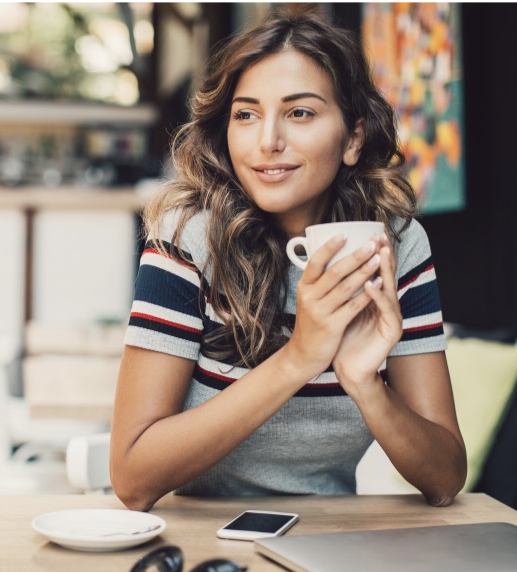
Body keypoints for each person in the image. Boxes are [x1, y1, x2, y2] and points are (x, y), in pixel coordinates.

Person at [110, 7, 466, 512]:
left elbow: (445, 478)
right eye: (246, 114)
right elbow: (132, 477)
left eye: (300, 113)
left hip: (335, 537)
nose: (267, 141)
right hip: (199, 533)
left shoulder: (396, 245)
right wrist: (299, 358)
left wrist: (366, 384)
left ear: (354, 138)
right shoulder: (188, 237)